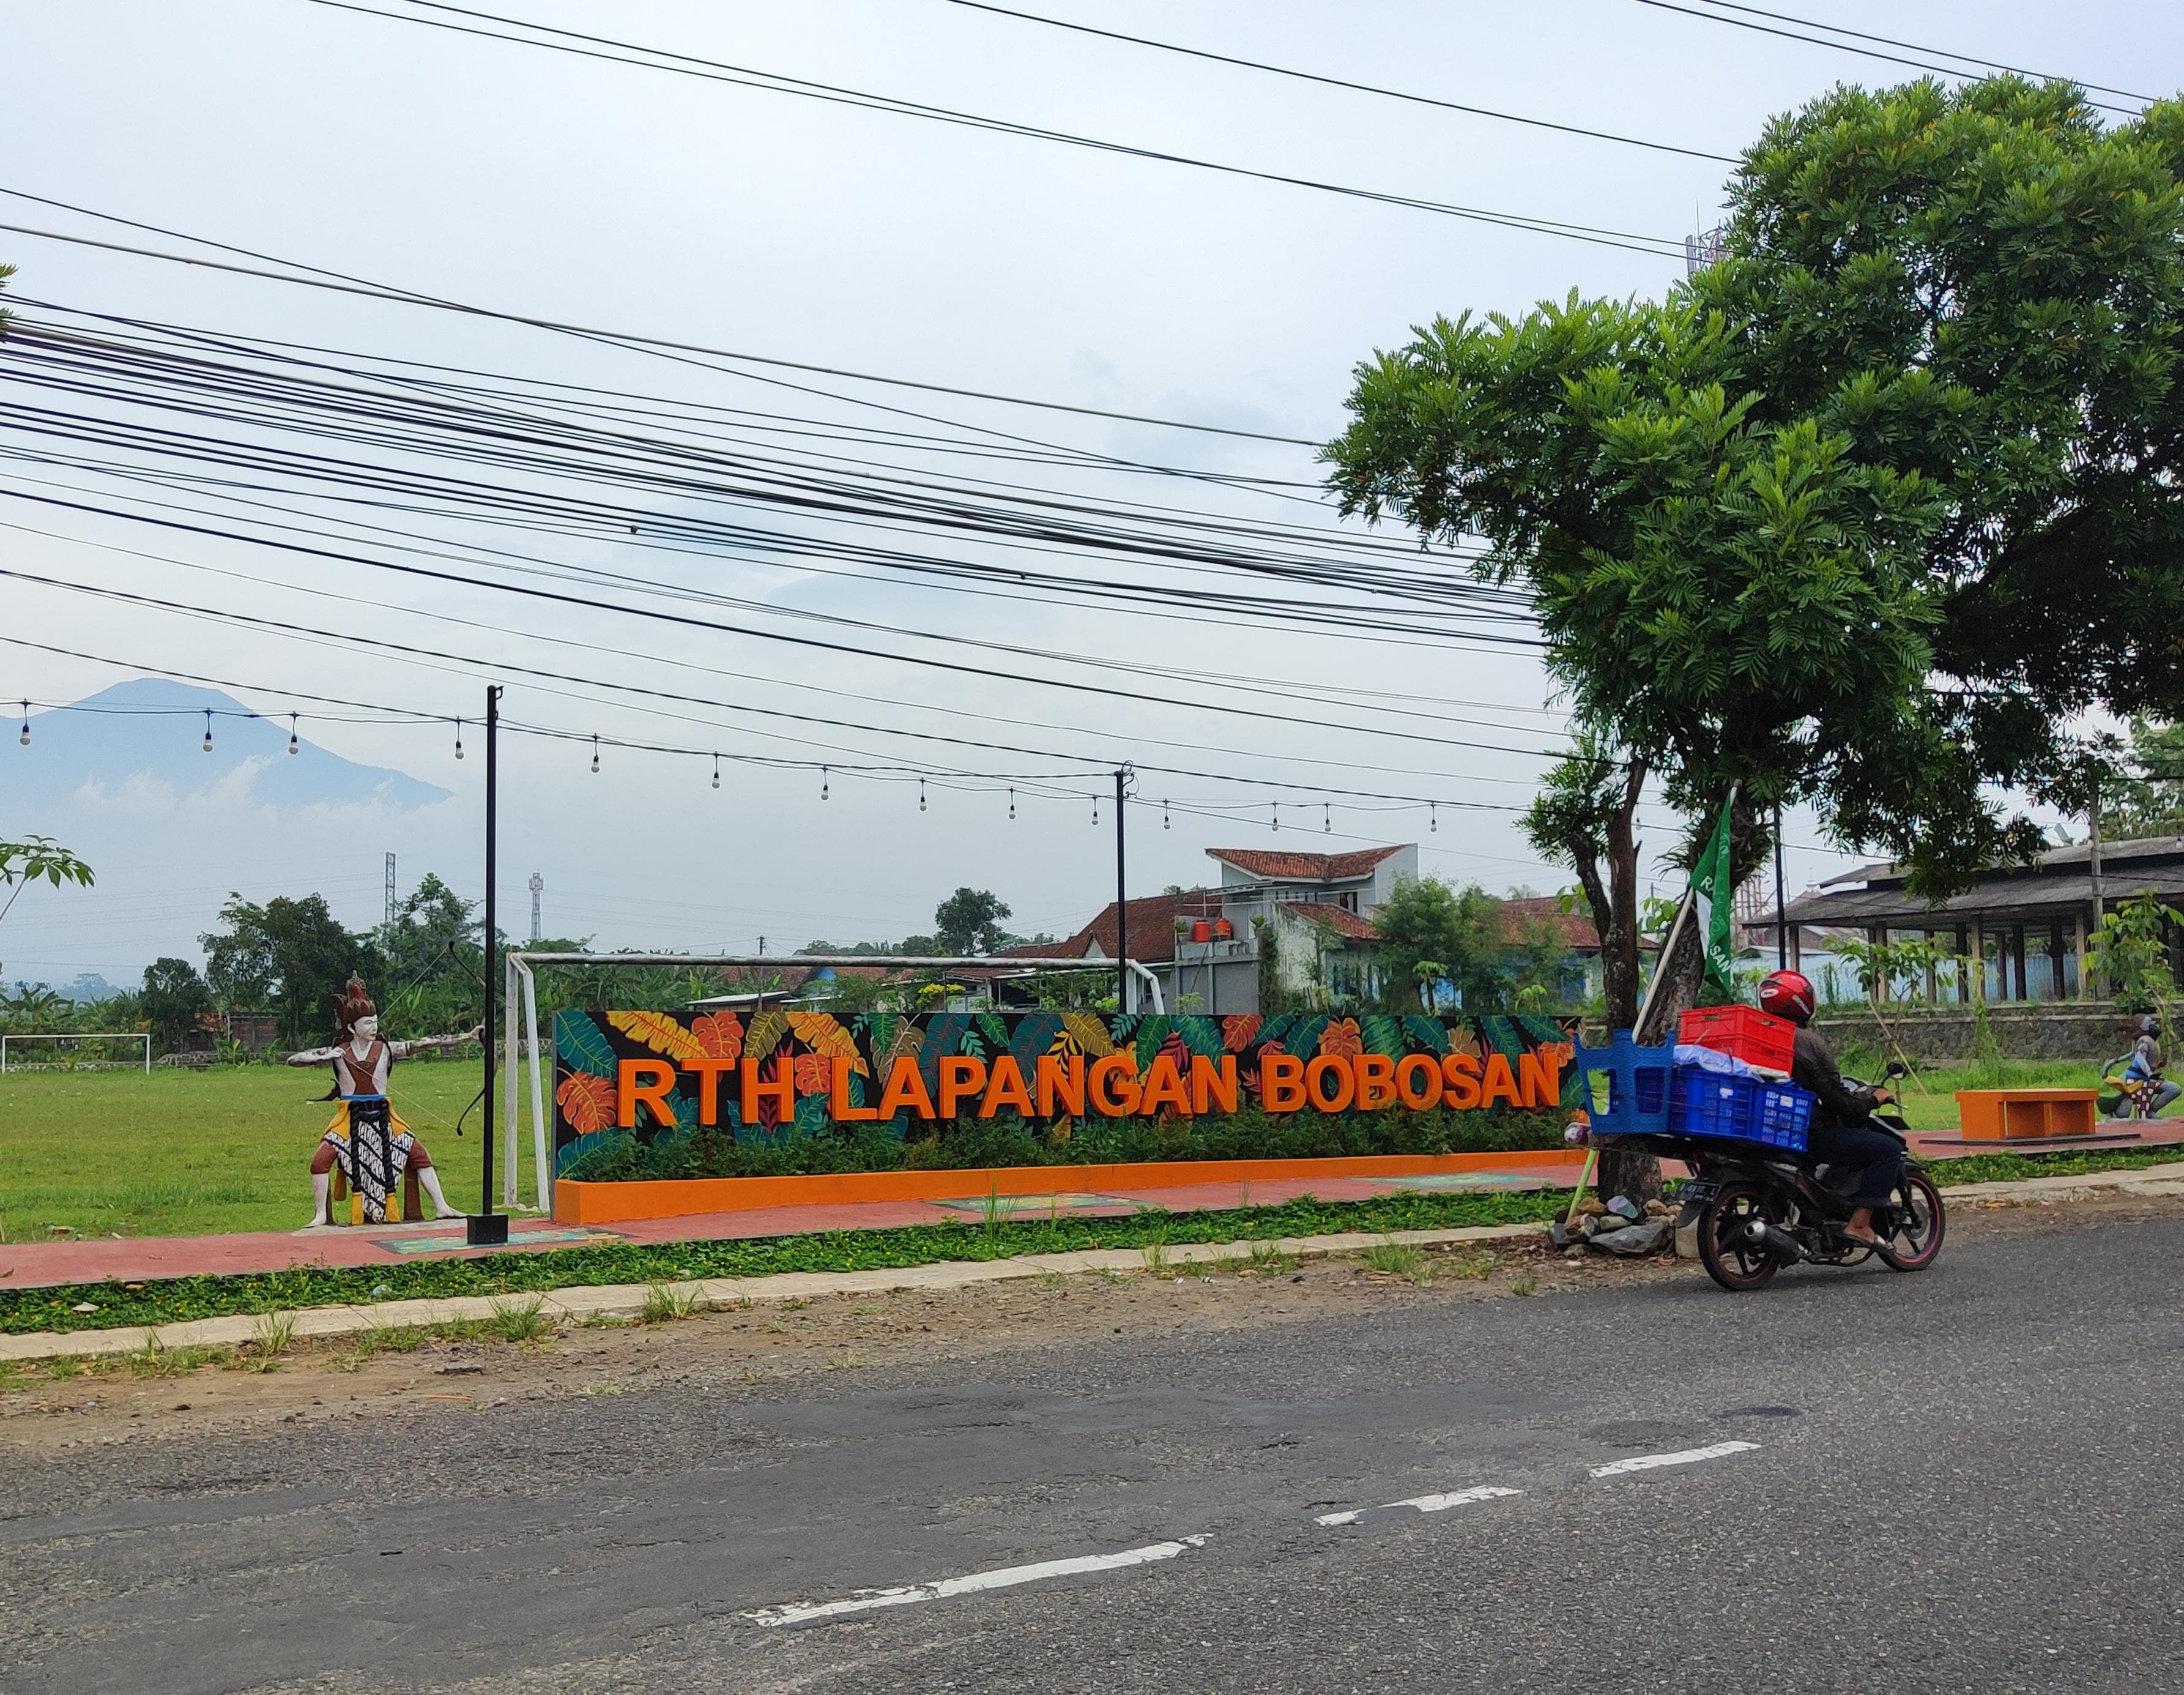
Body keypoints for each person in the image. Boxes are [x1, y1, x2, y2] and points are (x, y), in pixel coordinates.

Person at [285, 975, 475, 1228]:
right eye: (367, 1023)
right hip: (349, 1116)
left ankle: (441, 1206)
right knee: (320, 1160)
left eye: (375, 1022)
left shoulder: (386, 1048)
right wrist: (325, 1056)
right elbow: (294, 1060)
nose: (373, 1028)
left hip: (384, 1116)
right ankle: (321, 1215)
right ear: (352, 1027)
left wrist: (468, 1036)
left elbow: (427, 1043)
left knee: (418, 1153)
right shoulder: (339, 1051)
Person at [1758, 968, 1902, 1248]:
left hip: (1762, 1129)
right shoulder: (1807, 1042)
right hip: (1805, 1135)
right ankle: (1860, 1224)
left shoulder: (1756, 1035)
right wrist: (1872, 1100)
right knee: (1888, 1150)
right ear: (1802, 1002)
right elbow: (1839, 1102)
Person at [2123, 1016, 2181, 1119]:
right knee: (2174, 1089)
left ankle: (2151, 1111)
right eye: (2151, 1025)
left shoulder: (2149, 1042)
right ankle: (2151, 1111)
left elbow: (2147, 1061)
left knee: (2174, 1089)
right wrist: (2150, 1074)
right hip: (2136, 1079)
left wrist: (2159, 1065)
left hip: (2144, 1078)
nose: (2155, 1027)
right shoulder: (2145, 1042)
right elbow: (2140, 1059)